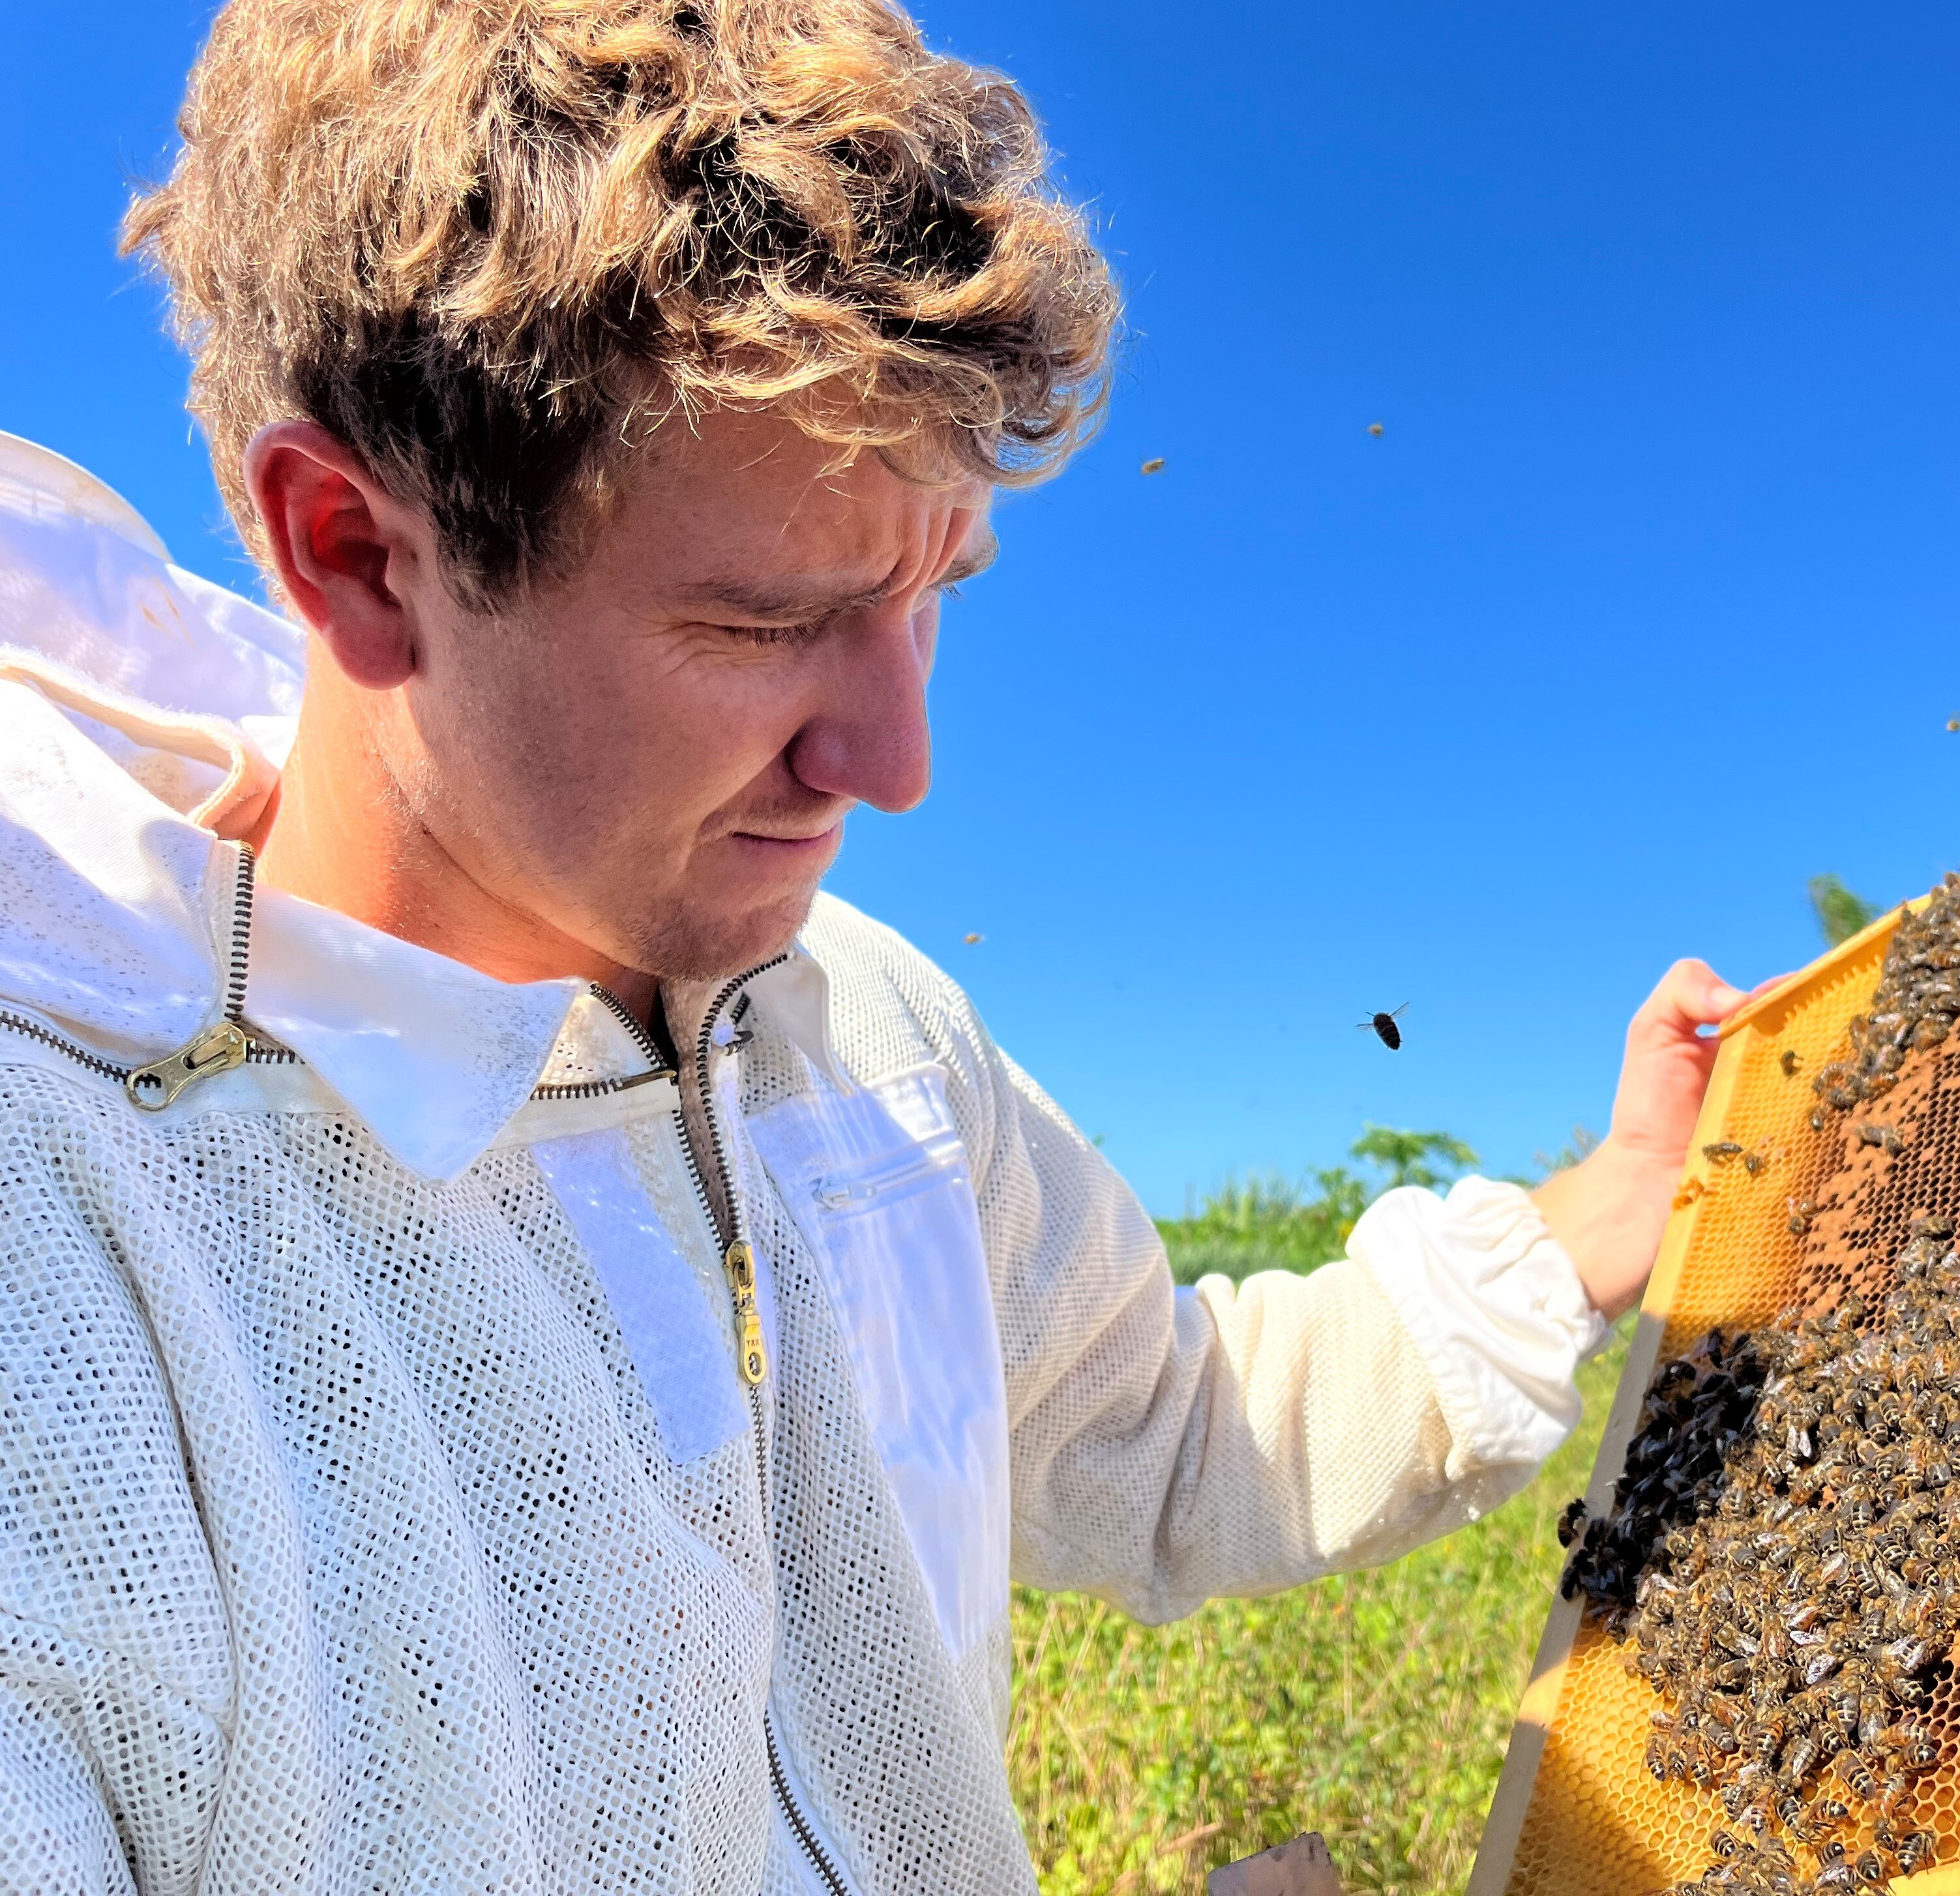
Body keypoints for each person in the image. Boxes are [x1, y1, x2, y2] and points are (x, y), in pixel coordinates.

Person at [0, 3, 1760, 1889]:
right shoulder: (67, 1260)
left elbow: (1165, 1422)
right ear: (354, 549)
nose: (896, 766)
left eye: (933, 599)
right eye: (768, 624)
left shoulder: (870, 1034)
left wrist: (1590, 1225)